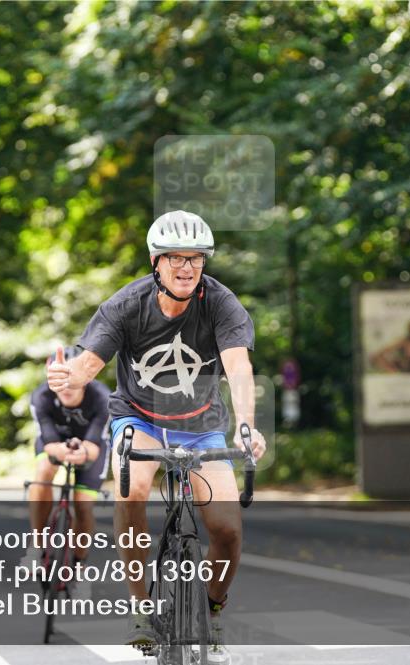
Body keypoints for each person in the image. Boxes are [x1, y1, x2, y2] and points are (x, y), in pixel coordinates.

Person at [47, 210, 266, 664]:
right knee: (134, 491)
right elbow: (90, 363)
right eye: (175, 259)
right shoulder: (127, 305)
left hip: (202, 425)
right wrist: (68, 375)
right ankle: (141, 608)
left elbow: (239, 368)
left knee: (226, 529)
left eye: (196, 259)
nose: (186, 268)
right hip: (139, 418)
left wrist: (246, 425)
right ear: (155, 261)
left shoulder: (222, 304)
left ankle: (212, 608)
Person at [22, 346, 111, 597]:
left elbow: (94, 448)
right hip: (55, 442)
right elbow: (48, 441)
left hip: (91, 446)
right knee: (44, 469)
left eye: (72, 379)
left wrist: (82, 453)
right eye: (59, 379)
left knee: (83, 505)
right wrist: (62, 451)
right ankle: (37, 545)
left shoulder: (102, 397)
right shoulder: (40, 397)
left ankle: (79, 567)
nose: (66, 387)